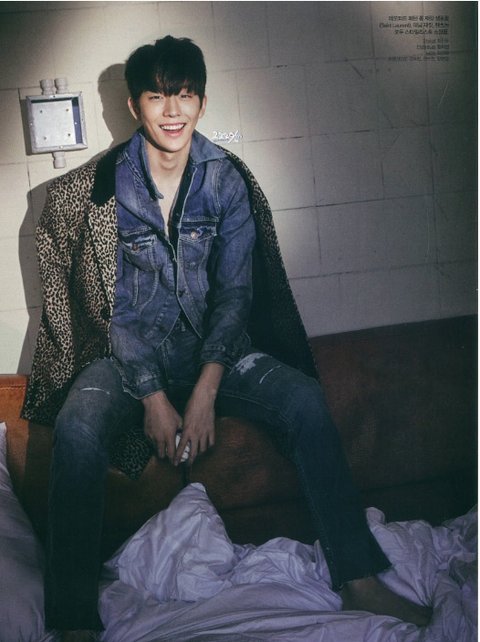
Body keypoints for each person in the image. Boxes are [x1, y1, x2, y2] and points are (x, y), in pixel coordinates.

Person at [22, 36, 431, 642]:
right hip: (129, 356)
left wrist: (207, 388)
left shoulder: (225, 179)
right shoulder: (102, 190)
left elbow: (236, 295)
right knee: (78, 426)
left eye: (184, 95)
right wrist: (152, 396)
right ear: (134, 105)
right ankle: (73, 617)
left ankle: (359, 576)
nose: (172, 111)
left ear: (202, 102)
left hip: (212, 349)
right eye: (157, 96)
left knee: (303, 399)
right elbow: (110, 311)